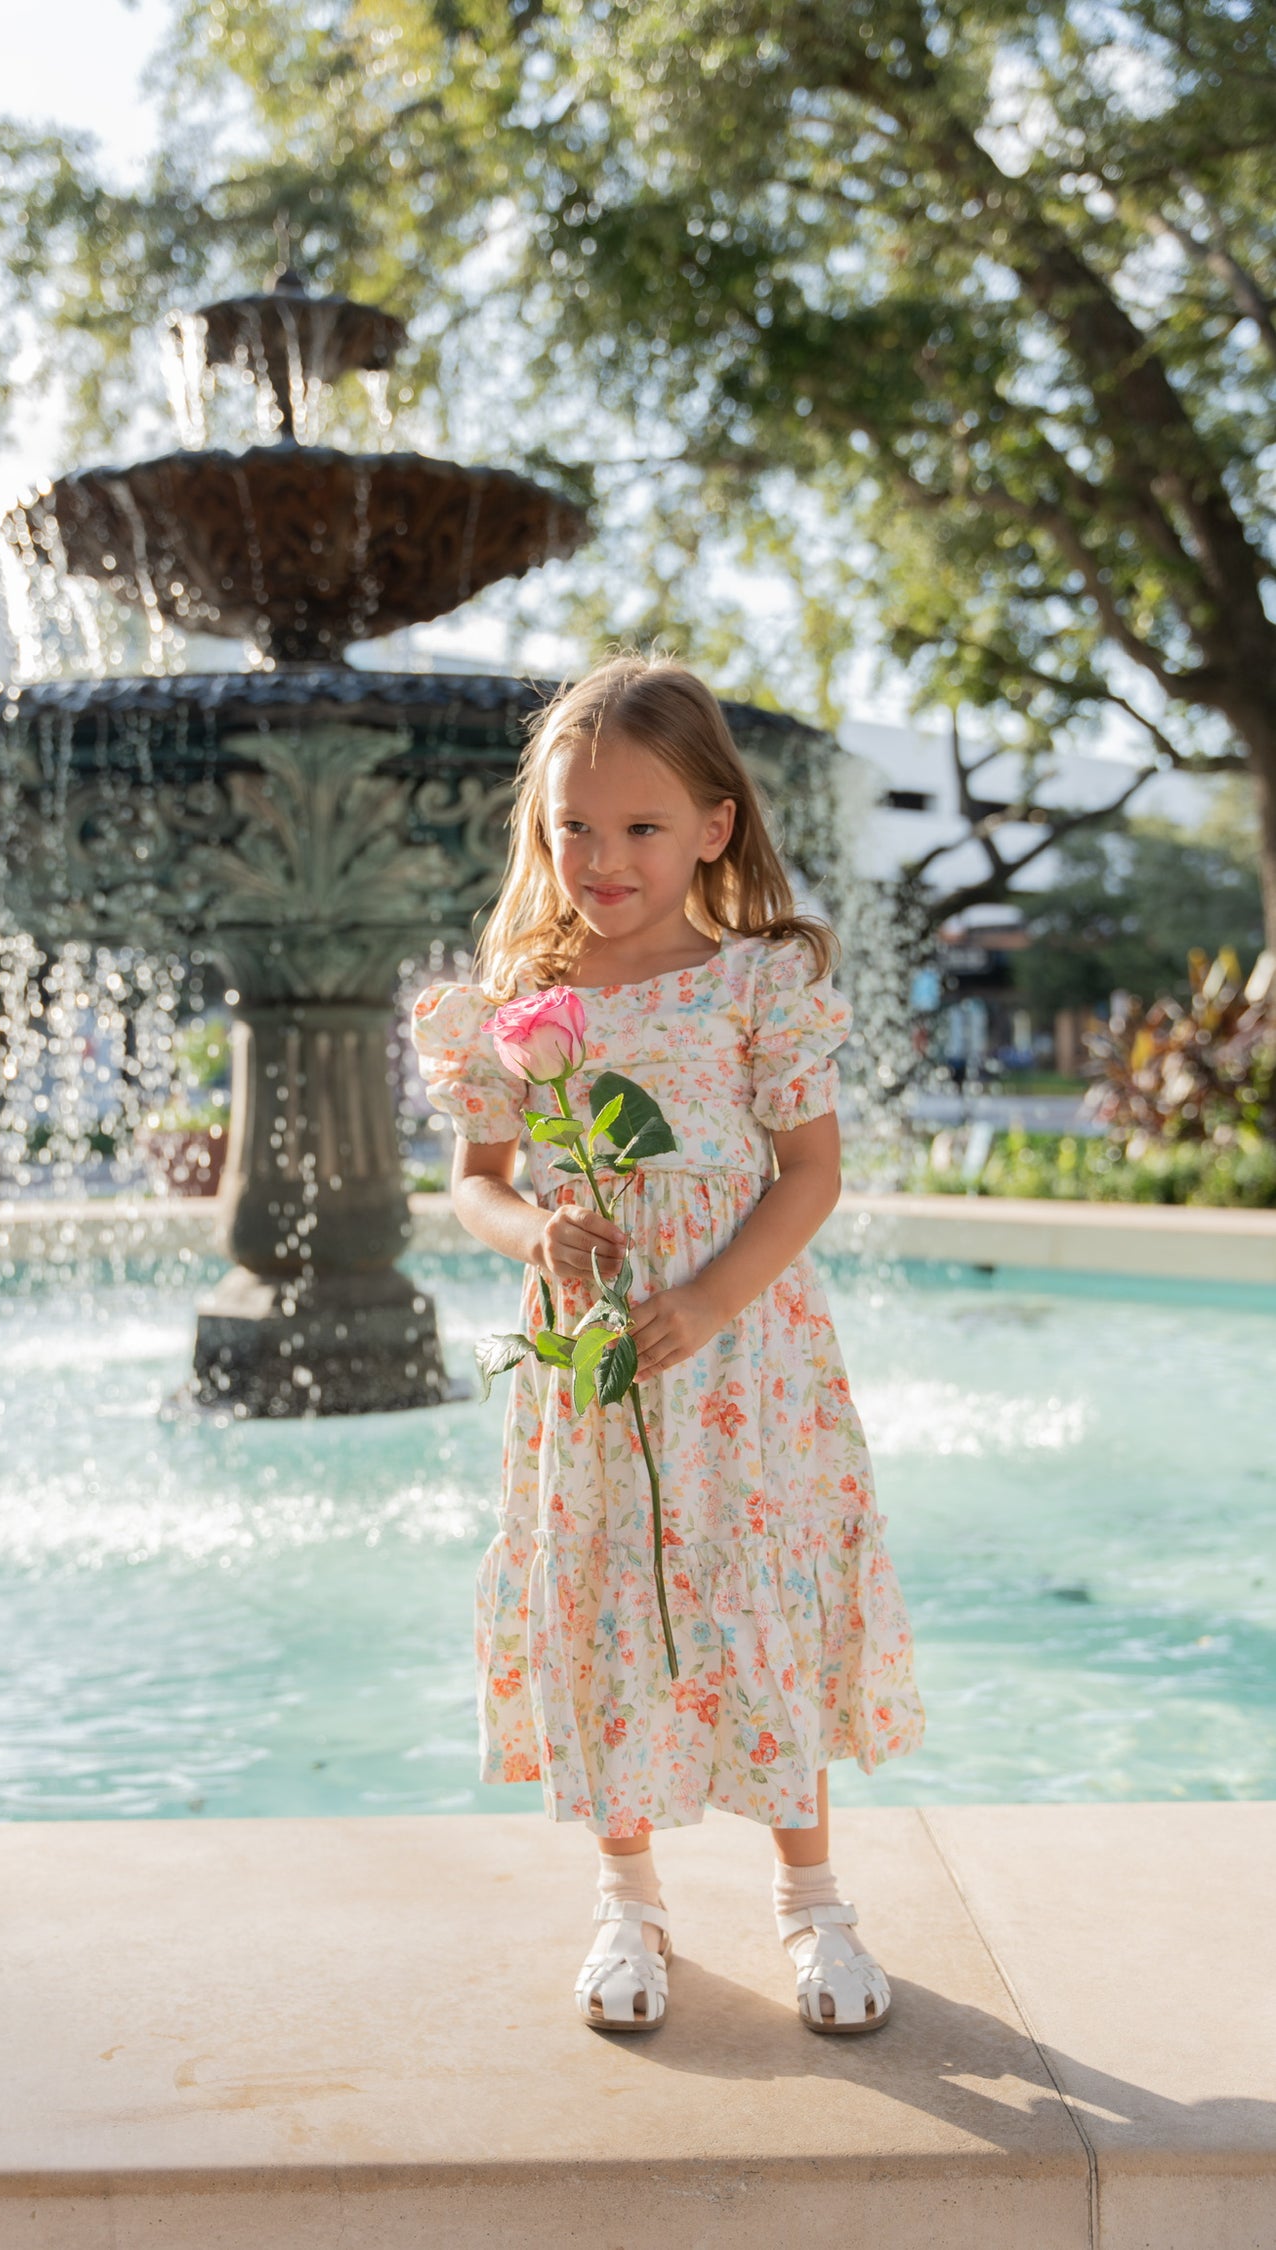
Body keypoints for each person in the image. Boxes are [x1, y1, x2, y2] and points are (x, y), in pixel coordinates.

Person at [410, 653, 924, 2035]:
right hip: (594, 1364)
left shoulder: (755, 983)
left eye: (639, 827)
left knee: (753, 1587)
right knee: (606, 1594)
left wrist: (707, 1299)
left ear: (714, 825)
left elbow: (810, 1174)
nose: (600, 856)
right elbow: (477, 1179)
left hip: (738, 1360)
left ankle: (812, 1899)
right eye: (572, 826)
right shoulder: (525, 997)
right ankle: (628, 1896)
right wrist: (535, 1237)